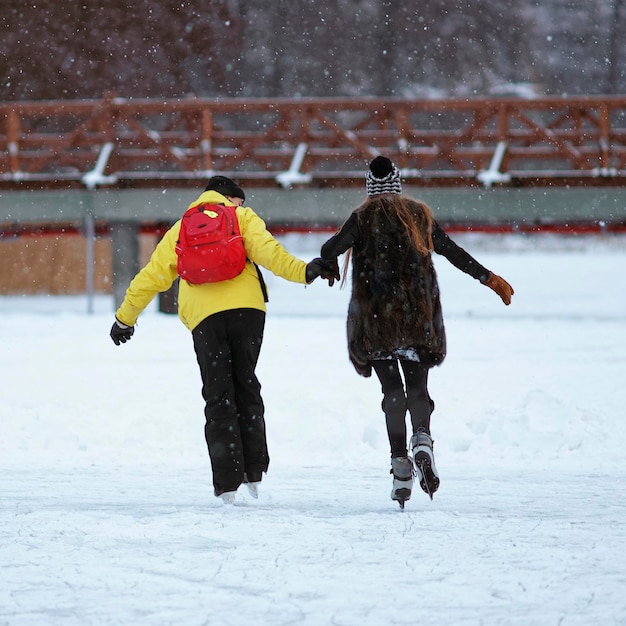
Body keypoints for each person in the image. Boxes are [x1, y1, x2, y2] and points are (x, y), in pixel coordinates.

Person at [110, 176, 338, 504]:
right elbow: (270, 253)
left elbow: (150, 278)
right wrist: (304, 271)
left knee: (219, 395)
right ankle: (253, 475)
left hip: (205, 318)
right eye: (240, 201)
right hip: (247, 311)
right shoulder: (241, 217)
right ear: (232, 198)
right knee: (245, 385)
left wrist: (124, 319)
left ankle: (227, 484)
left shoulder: (180, 229)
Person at [320, 156, 514, 508]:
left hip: (374, 323)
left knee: (392, 392)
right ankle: (422, 440)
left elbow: (329, 248)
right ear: (397, 183)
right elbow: (454, 253)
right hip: (416, 319)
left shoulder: (362, 218)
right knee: (417, 388)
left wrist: (330, 263)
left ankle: (400, 468)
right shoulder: (417, 215)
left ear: (370, 186)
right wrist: (488, 278)